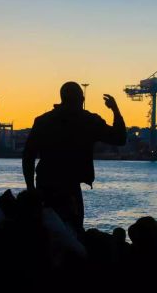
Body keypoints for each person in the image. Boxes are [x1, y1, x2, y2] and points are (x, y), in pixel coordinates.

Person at [22, 82, 126, 231]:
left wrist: (30, 188)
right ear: (81, 99)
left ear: (62, 98)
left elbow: (28, 155)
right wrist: (115, 110)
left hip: (44, 185)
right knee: (74, 231)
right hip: (70, 187)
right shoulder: (88, 121)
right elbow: (120, 138)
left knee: (45, 231)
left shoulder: (43, 121)